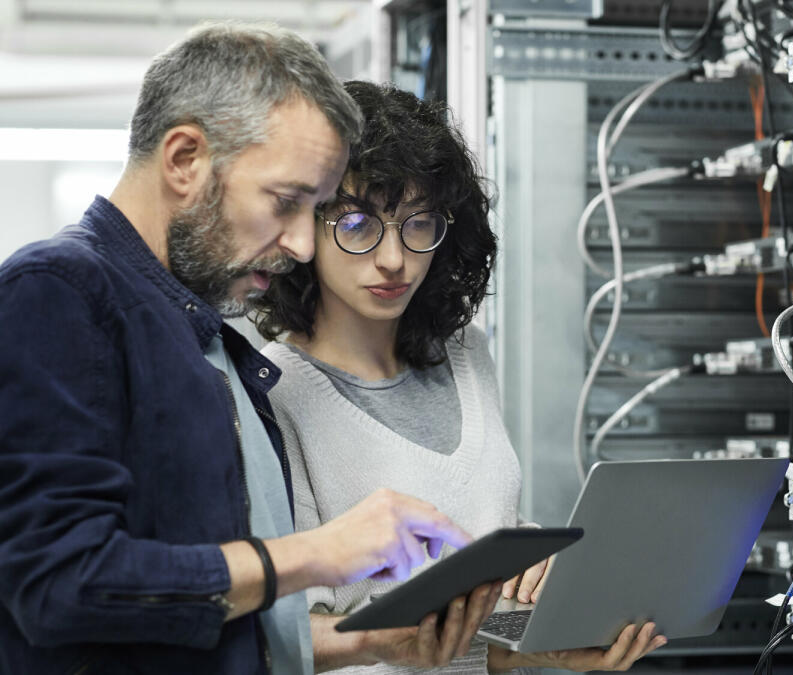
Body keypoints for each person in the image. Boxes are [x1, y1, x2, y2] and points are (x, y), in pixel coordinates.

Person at [0, 23, 491, 675]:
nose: (303, 247)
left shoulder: (204, 337)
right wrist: (318, 553)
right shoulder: (60, 290)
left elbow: (209, 627)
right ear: (183, 160)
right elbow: (60, 584)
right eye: (286, 202)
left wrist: (377, 641)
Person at [252, 81, 668, 673]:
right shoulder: (276, 394)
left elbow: (483, 597)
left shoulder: (467, 355)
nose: (393, 258)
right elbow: (281, 638)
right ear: (303, 231)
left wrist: (541, 629)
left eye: (417, 224)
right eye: (357, 224)